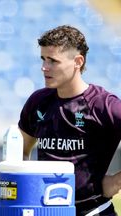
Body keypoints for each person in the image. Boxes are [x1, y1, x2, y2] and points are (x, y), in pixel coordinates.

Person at [18, 25, 121, 216]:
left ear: (78, 62)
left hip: (94, 211)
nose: (44, 67)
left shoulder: (104, 105)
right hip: (45, 212)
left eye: (53, 61)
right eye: (43, 59)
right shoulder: (38, 101)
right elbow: (20, 150)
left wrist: (116, 181)